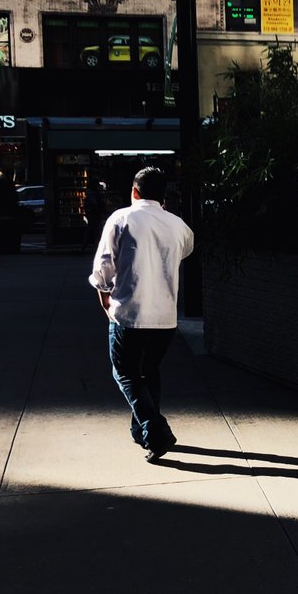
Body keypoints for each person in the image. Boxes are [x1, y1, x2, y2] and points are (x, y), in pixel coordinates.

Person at [88, 167, 195, 462]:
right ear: (164, 197)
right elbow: (185, 251)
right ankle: (142, 432)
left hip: (130, 313)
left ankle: (155, 431)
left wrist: (104, 296)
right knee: (149, 373)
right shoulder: (178, 226)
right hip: (165, 317)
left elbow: (103, 267)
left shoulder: (121, 219)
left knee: (124, 372)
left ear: (134, 192)